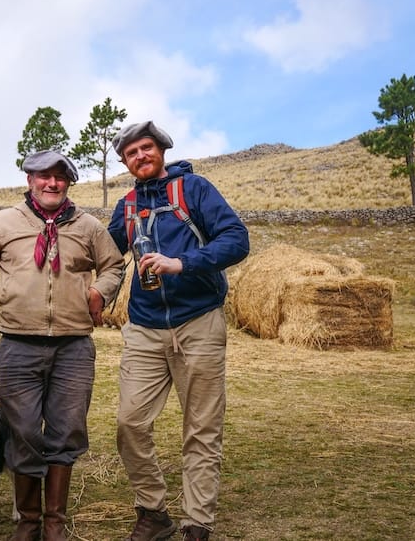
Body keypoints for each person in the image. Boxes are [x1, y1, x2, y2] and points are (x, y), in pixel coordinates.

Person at [0, 150, 125, 541]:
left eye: (60, 177)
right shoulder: (4, 222)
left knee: (66, 433)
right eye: (43, 176)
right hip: (17, 347)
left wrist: (100, 291)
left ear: (69, 183)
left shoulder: (88, 226)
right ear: (30, 179)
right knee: (22, 434)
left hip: (74, 348)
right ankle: (28, 522)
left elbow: (115, 265)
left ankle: (54, 523)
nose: (52, 183)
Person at [107, 122, 250, 541]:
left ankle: (196, 523)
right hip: (145, 328)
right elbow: (106, 257)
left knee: (201, 427)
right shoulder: (127, 207)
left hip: (199, 321)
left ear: (161, 150)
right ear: (125, 162)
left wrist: (183, 263)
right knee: (129, 424)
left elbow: (237, 239)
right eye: (131, 153)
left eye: (146, 148)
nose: (140, 156)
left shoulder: (194, 189)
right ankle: (153, 512)